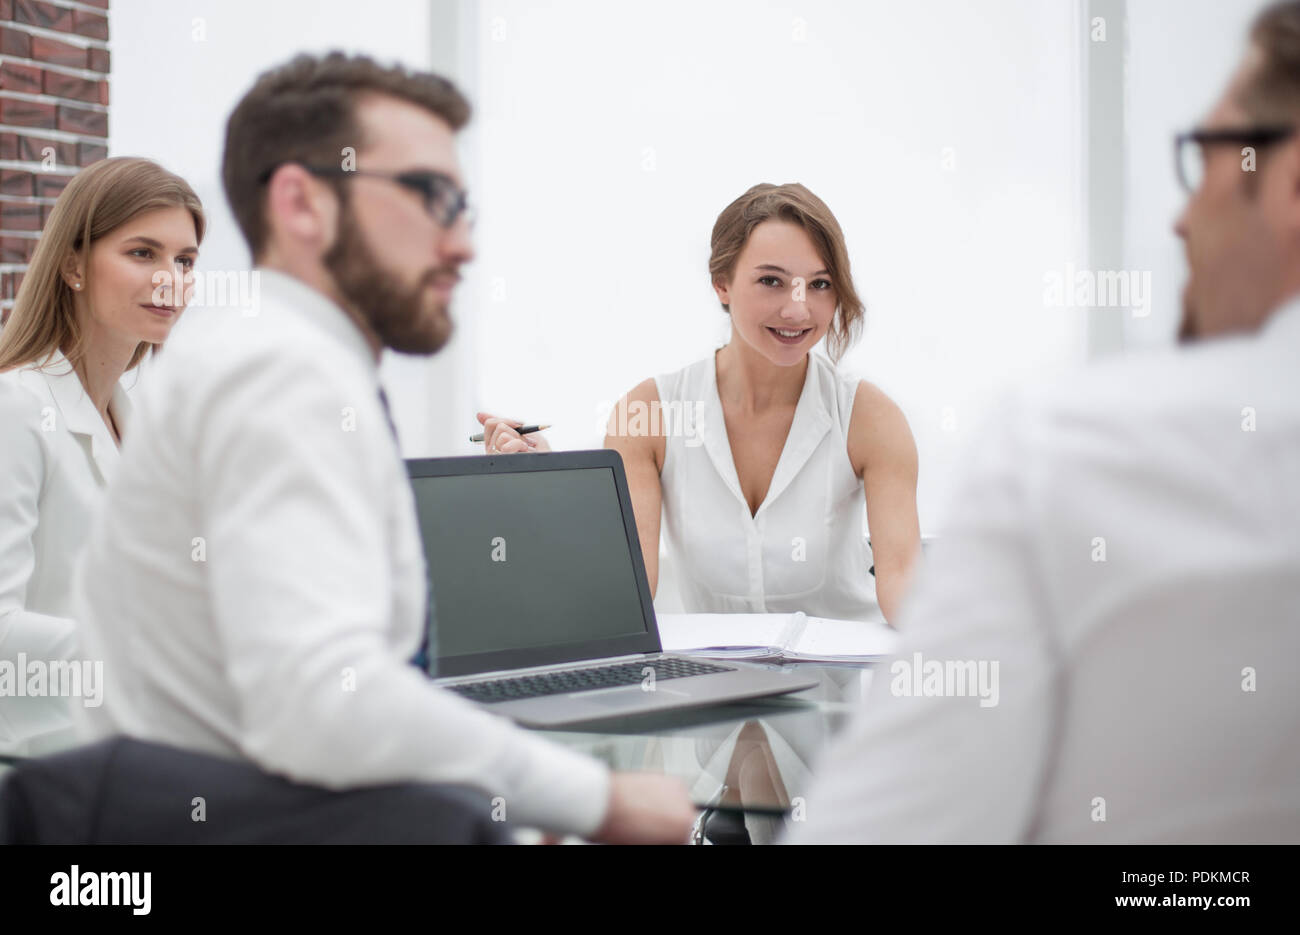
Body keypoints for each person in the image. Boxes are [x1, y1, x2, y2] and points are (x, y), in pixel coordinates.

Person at [71, 52, 695, 843]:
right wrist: (597, 798)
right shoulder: (280, 372)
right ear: (302, 202)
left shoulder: (276, 358)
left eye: (463, 206)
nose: (462, 244)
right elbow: (323, 702)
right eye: (431, 198)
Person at [785, 0, 1300, 843]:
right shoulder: (660, 406)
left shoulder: (1067, 454)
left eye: (1203, 156)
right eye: (772, 280)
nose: (1175, 218)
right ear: (720, 287)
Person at [481, 183, 921, 624]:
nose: (797, 309)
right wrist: (548, 490)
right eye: (772, 281)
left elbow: (902, 585)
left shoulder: (868, 416)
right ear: (722, 284)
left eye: (820, 284)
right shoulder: (649, 412)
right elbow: (622, 593)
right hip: (715, 686)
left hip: (840, 689)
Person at [0, 158, 203, 754]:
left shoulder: (135, 425)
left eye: (185, 261)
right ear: (73, 265)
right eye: (143, 253)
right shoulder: (15, 408)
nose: (171, 279)